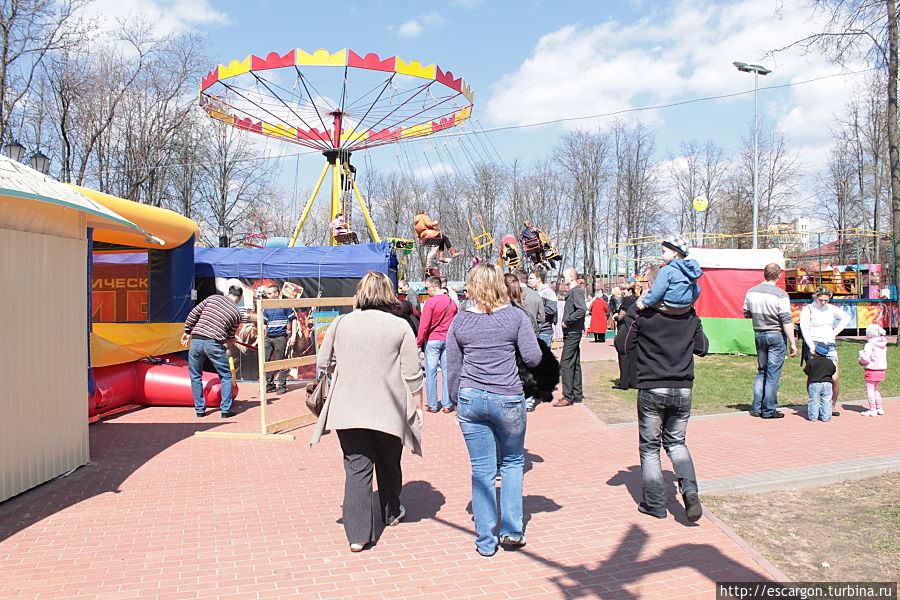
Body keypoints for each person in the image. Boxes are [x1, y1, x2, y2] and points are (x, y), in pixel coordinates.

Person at [310, 272, 424, 553]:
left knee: (357, 468)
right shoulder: (399, 326)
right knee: (389, 462)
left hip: (347, 406)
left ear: (359, 293)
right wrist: (419, 408)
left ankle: (358, 535)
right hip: (389, 406)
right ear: (388, 294)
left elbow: (324, 360)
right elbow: (412, 374)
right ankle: (391, 510)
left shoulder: (341, 323)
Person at [446, 263, 542, 556]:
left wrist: (454, 399)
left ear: (471, 287)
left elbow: (453, 366)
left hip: (471, 398)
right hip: (507, 396)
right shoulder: (515, 317)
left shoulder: (460, 321)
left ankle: (485, 540)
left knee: (482, 469)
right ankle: (512, 530)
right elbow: (534, 358)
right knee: (512, 463)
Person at [622, 263, 709, 522]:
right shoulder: (690, 316)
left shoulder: (643, 316)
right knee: (677, 443)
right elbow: (702, 348)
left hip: (652, 386)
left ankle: (655, 503)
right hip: (682, 387)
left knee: (650, 447)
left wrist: (630, 314)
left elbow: (623, 345)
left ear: (653, 287)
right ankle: (690, 491)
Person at [742, 263, 798, 419]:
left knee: (761, 371)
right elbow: (786, 319)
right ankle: (769, 409)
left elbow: (746, 313)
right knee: (773, 374)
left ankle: (757, 407)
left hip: (759, 333)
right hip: (776, 334)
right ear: (778, 275)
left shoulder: (751, 291)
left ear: (764, 274)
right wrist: (792, 342)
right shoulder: (780, 294)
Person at [181, 286, 243, 418]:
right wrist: (231, 340)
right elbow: (230, 336)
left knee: (196, 376)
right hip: (214, 344)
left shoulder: (213, 298)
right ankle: (225, 410)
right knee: (226, 376)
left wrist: (187, 332)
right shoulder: (237, 314)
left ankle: (200, 410)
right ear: (240, 298)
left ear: (227, 293)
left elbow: (193, 314)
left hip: (196, 340)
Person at [799, 286, 851, 416]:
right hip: (814, 343)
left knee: (834, 377)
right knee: (813, 376)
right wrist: (811, 346)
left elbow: (846, 318)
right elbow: (804, 328)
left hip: (829, 344)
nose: (823, 303)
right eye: (821, 300)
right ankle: (813, 403)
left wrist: (834, 333)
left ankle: (832, 405)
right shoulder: (808, 309)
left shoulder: (831, 308)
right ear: (815, 297)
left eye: (826, 300)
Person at [417, 276, 458, 413]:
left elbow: (424, 325)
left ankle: (433, 405)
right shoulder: (452, 303)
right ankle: (447, 405)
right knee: (447, 373)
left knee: (431, 373)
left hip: (433, 340)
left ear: (434, 286)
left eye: (427, 288)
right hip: (448, 340)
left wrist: (418, 341)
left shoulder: (430, 303)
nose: (426, 291)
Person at [636, 235, 702, 314]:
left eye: (664, 251)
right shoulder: (689, 270)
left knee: (646, 294)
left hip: (669, 306)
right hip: (685, 308)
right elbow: (697, 290)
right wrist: (690, 301)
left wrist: (645, 303)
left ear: (674, 253)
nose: (661, 255)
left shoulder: (667, 269)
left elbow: (657, 290)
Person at [554, 268, 586, 407]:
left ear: (572, 278)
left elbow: (582, 310)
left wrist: (568, 321)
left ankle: (568, 396)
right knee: (574, 362)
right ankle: (577, 394)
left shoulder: (576, 291)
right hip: (571, 332)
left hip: (573, 331)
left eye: (565, 276)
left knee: (566, 363)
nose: (563, 279)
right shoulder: (573, 292)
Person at [261, 285, 296, 394]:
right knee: (265, 361)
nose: (268, 296)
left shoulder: (285, 305)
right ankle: (270, 384)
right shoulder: (266, 308)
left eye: (270, 294)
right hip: (268, 338)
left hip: (280, 338)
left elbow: (293, 319)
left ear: (277, 294)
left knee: (281, 362)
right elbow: (265, 323)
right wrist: (263, 335)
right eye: (267, 294)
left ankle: (282, 386)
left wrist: (293, 335)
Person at [612, 283, 638, 390]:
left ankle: (624, 383)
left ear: (630, 291)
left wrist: (616, 317)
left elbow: (621, 316)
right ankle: (634, 381)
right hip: (636, 330)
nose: (623, 292)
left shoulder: (627, 301)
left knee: (623, 356)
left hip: (625, 329)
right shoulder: (638, 299)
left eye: (625, 290)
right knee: (633, 357)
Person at [858, 324, 888, 416]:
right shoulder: (883, 344)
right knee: (876, 390)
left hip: (872, 369)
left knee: (870, 390)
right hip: (881, 370)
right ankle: (879, 408)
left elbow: (866, 358)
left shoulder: (869, 344)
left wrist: (860, 359)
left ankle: (872, 409)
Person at [804, 343, 836, 422]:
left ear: (815, 351)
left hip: (815, 383)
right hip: (827, 383)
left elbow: (806, 370)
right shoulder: (830, 362)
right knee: (826, 400)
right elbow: (833, 370)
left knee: (814, 400)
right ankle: (826, 417)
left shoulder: (812, 362)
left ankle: (813, 417)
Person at [527, 268, 557, 348]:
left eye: (531, 278)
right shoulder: (534, 292)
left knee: (544, 359)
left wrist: (535, 309)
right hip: (535, 331)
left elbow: (551, 310)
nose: (529, 281)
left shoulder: (548, 293)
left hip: (544, 332)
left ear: (539, 279)